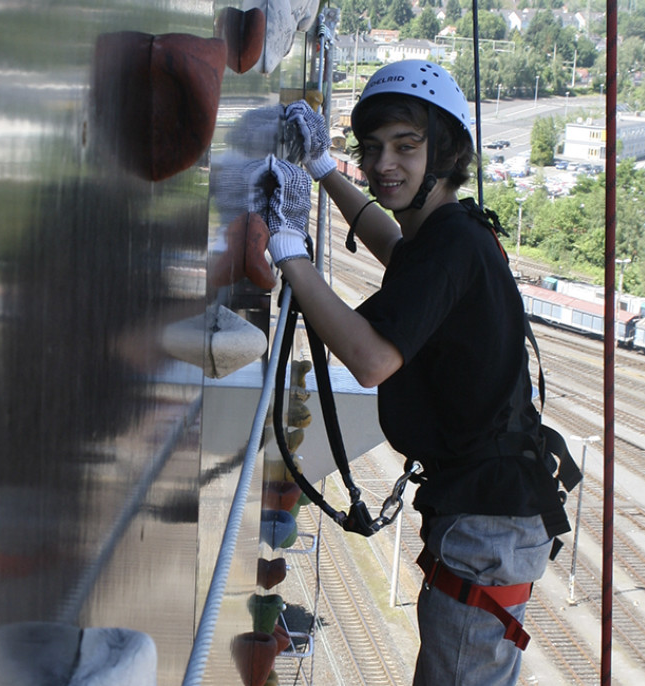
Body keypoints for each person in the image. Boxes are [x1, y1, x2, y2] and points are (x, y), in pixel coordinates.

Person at [248, 61, 579, 685]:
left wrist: (289, 250)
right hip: (492, 512)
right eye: (370, 150)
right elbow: (393, 245)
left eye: (406, 146)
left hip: (487, 524)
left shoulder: (453, 246)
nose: (383, 165)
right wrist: (324, 171)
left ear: (445, 152)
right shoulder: (454, 231)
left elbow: (372, 360)